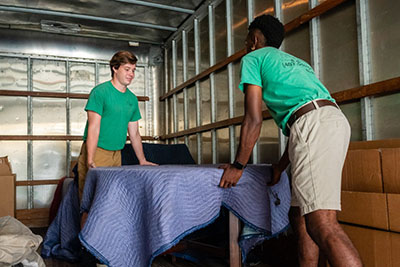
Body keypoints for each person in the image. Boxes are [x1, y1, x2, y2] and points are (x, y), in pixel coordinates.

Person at [218, 15, 362, 267]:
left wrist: (238, 166)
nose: (245, 44)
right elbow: (299, 126)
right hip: (331, 120)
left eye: (245, 39)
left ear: (254, 39)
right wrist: (280, 166)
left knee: (322, 223)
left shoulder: (253, 57)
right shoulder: (297, 62)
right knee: (300, 215)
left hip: (313, 125)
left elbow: (253, 119)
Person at [78, 50, 156, 227]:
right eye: (127, 69)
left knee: (111, 202)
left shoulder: (132, 99)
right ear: (115, 68)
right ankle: (86, 249)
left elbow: (134, 133)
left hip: (116, 154)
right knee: (90, 203)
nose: (131, 74)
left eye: (134, 70)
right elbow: (94, 127)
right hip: (97, 151)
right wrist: (90, 158)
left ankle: (107, 246)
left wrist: (142, 160)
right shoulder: (100, 92)